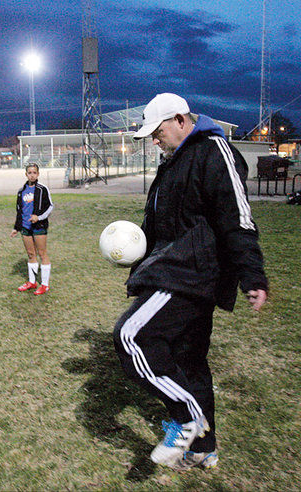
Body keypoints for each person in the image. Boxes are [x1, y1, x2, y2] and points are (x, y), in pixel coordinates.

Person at [113, 93, 268, 471]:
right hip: (173, 269)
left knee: (130, 336)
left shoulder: (213, 151)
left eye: (158, 131)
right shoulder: (172, 163)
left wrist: (252, 272)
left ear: (181, 120)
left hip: (189, 274)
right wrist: (136, 255)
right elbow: (161, 224)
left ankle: (187, 418)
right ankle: (204, 448)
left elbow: (238, 216)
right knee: (188, 362)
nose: (154, 140)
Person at [10, 164, 54, 295]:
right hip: (25, 227)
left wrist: (39, 217)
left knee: (42, 253)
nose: (32, 175)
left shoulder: (42, 189)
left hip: (39, 226)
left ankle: (45, 285)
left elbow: (50, 206)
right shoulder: (21, 191)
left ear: (38, 174)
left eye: (34, 172)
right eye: (29, 172)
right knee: (30, 254)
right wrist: (16, 228)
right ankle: (32, 282)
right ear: (26, 174)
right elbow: (19, 211)